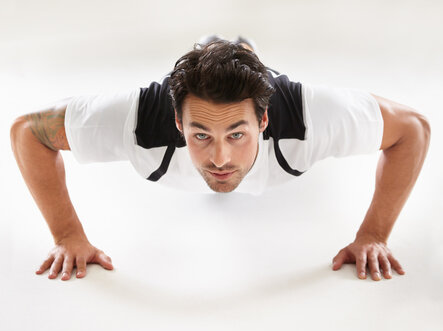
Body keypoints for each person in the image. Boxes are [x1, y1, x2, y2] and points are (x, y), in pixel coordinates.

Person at [10, 36, 431, 282]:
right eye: (200, 134)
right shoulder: (138, 120)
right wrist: (67, 234)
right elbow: (28, 133)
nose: (220, 158)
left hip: (275, 96)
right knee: (211, 54)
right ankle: (216, 46)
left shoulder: (308, 116)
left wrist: (374, 233)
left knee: (240, 55)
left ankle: (237, 47)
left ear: (263, 119)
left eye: (236, 134)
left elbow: (413, 129)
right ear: (177, 121)